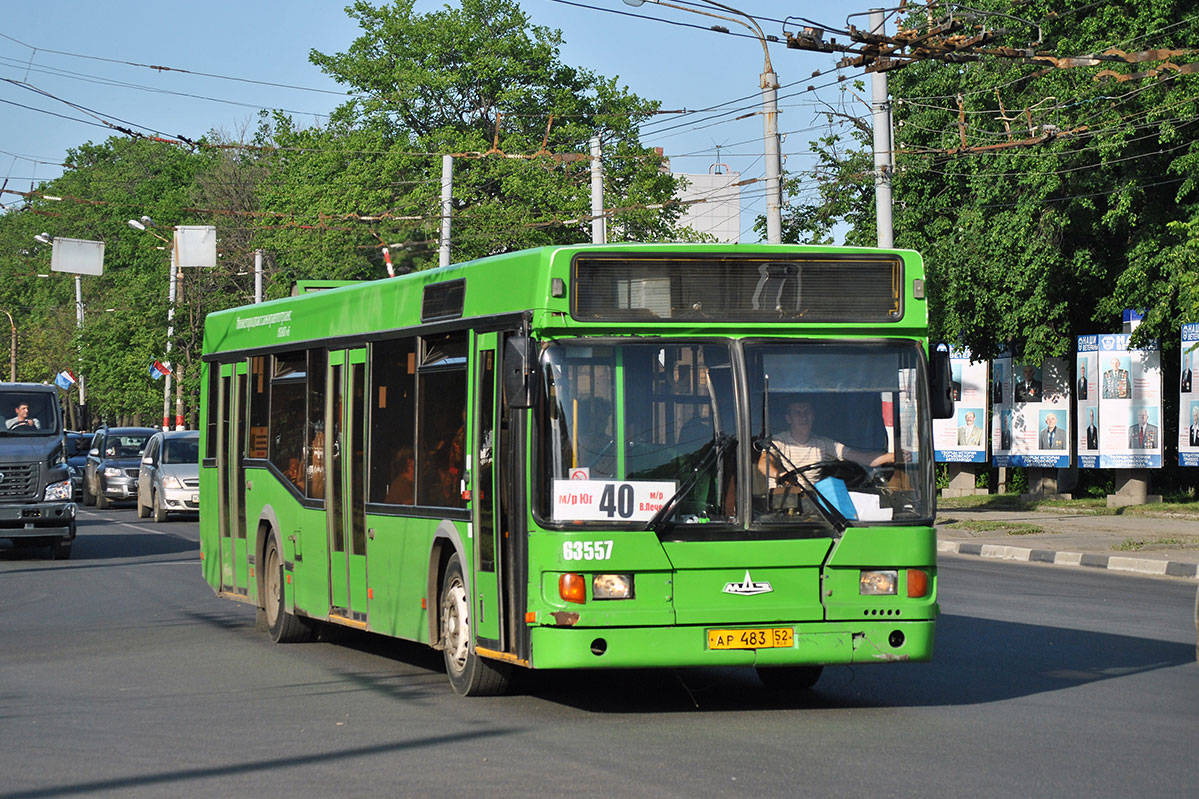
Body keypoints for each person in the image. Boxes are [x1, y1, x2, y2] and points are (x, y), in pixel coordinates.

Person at [757, 399, 893, 489]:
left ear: (813, 416)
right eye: (798, 412)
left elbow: (865, 459)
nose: (804, 417)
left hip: (812, 504)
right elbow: (763, 464)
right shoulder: (778, 442)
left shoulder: (824, 444)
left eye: (807, 412)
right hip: (780, 505)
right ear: (788, 419)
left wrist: (895, 456)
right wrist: (781, 476)